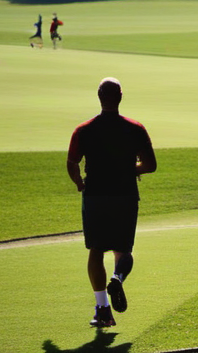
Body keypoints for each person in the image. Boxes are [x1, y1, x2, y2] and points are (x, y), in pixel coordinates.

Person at [66, 77, 157, 328]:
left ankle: (102, 309)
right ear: (120, 97)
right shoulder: (135, 128)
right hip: (125, 195)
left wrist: (79, 183)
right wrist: (131, 168)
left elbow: (72, 163)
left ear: (99, 96)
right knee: (123, 251)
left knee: (96, 251)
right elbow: (150, 165)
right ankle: (117, 277)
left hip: (95, 196)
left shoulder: (84, 130)